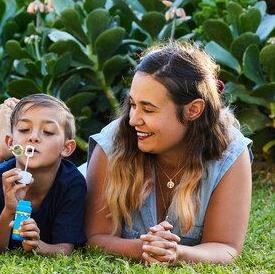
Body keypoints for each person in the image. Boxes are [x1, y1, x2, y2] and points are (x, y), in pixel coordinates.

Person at [84, 42, 252, 264]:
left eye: (148, 109)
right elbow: (95, 237)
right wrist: (146, 248)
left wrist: (177, 253)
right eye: (133, 104)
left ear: (193, 110)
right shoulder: (114, 142)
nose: (133, 119)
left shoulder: (230, 153)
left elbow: (226, 247)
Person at [0, 94, 87, 254]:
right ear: (11, 143)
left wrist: (38, 246)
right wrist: (8, 210)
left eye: (48, 132)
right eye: (24, 130)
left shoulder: (72, 183)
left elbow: (65, 249)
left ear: (67, 148)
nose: (34, 137)